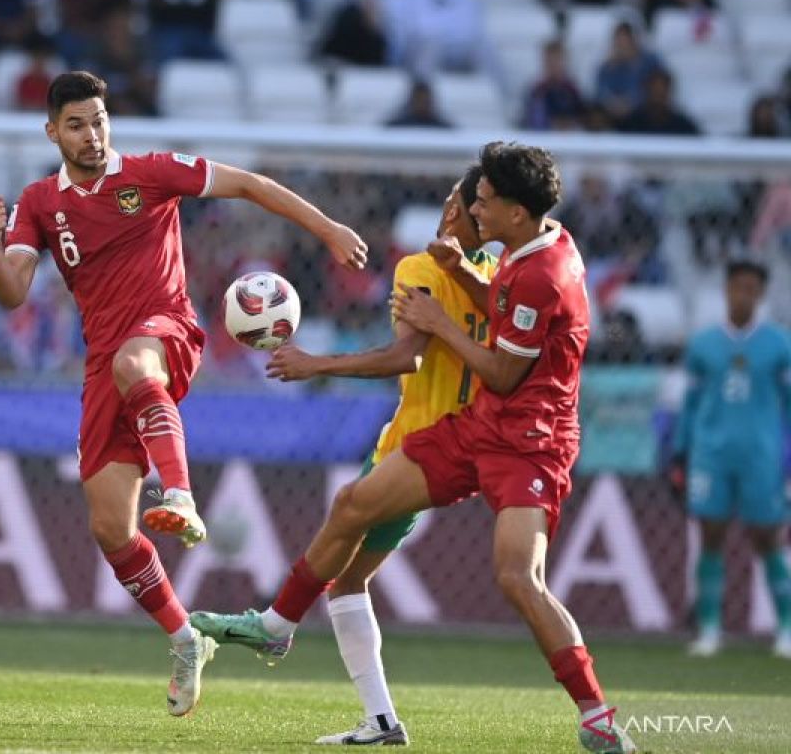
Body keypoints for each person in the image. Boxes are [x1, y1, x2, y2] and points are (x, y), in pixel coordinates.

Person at [192, 142, 636, 754]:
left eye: (479, 201)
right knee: (351, 505)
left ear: (512, 209)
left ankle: (595, 716)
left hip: (531, 441)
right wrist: (457, 276)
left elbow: (504, 372)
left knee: (517, 577)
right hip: (480, 424)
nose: (471, 209)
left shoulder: (540, 272)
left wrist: (436, 319)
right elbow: (504, 320)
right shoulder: (533, 244)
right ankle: (277, 624)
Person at [0, 71, 368, 717]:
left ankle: (181, 494)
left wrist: (326, 227)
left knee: (138, 361)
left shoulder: (152, 173)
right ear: (53, 132)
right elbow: (12, 290)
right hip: (105, 363)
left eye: (99, 119)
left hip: (166, 331)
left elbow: (250, 184)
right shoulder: (40, 201)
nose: (92, 133)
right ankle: (186, 639)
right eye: (76, 124)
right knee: (110, 528)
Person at [265, 165, 495, 745]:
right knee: (349, 582)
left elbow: (404, 358)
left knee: (343, 532)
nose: (447, 206)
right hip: (461, 445)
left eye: (455, 200)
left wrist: (315, 363)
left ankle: (274, 624)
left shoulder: (420, 268)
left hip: (414, 447)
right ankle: (382, 721)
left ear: (462, 213)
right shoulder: (497, 281)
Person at [670, 260, 791, 658]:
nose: (743, 294)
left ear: (761, 294)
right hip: (711, 455)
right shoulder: (703, 344)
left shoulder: (779, 345)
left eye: (751, 288)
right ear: (726, 289)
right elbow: (689, 403)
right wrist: (679, 452)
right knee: (711, 537)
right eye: (738, 286)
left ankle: (786, 629)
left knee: (768, 538)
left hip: (761, 455)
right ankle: (709, 629)